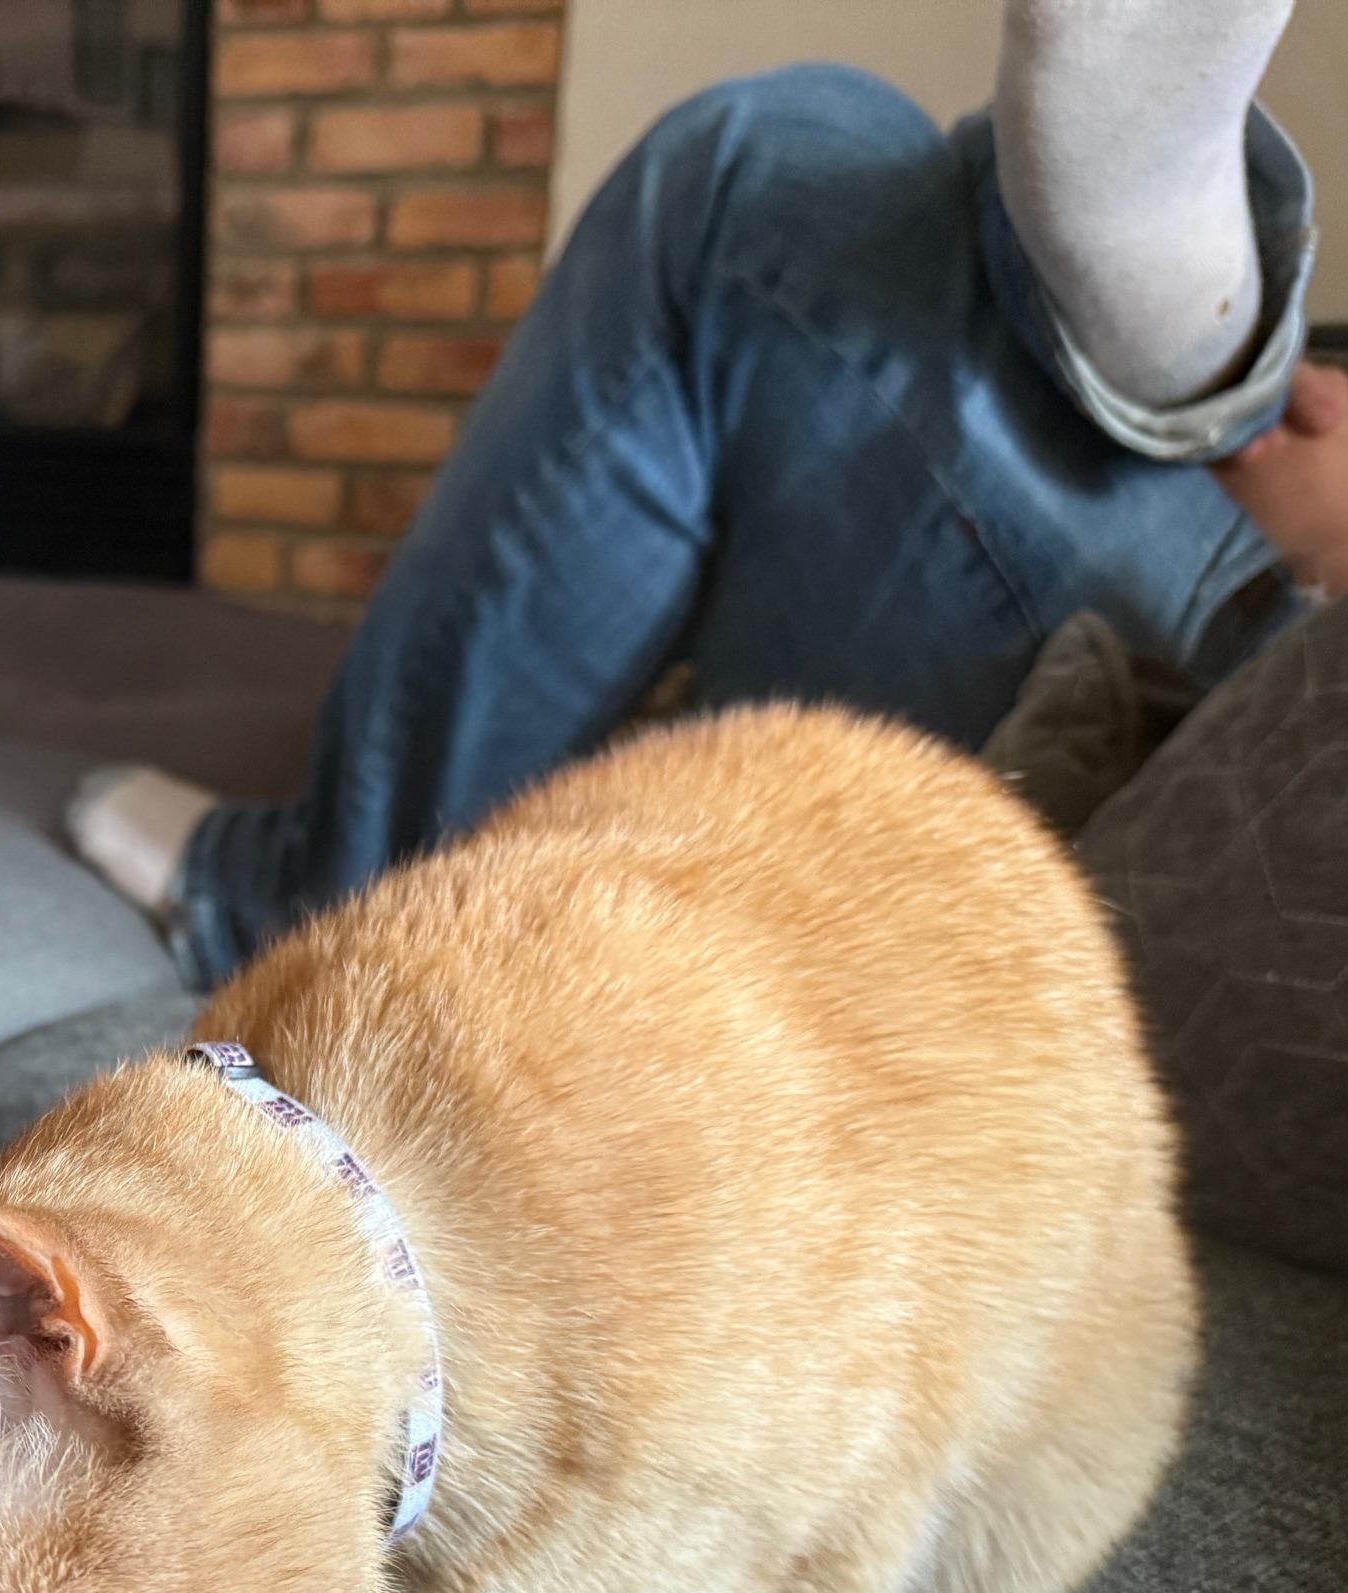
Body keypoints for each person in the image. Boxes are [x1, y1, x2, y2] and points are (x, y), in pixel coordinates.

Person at [71, 0, 1324, 986]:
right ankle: (1193, 337)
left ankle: (323, 895)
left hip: (1245, 668)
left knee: (759, 179)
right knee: (892, 189)